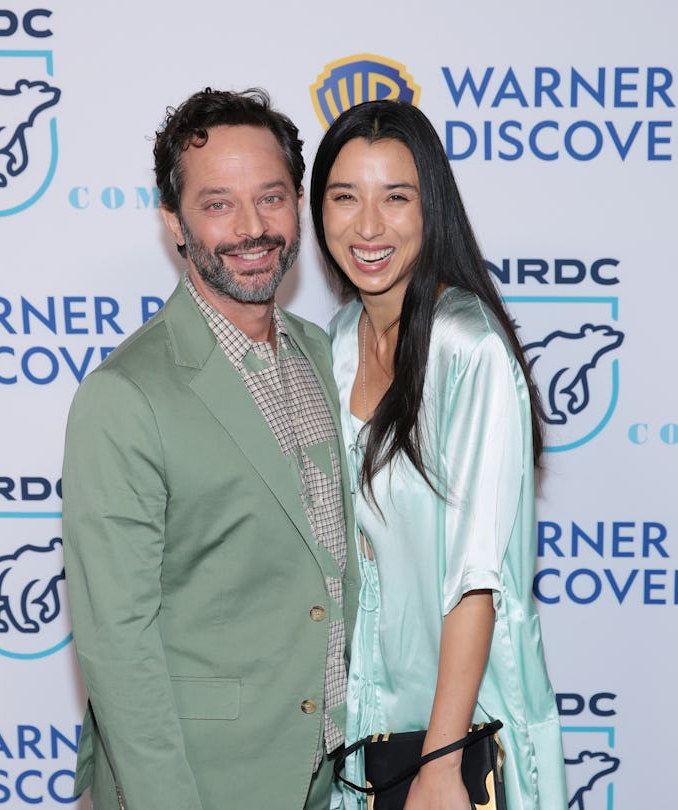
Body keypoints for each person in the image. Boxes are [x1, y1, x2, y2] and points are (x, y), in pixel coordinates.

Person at [62, 88, 359, 810]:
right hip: (203, 783)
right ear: (174, 219)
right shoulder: (125, 395)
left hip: (335, 779)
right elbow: (117, 647)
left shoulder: (326, 355)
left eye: (272, 197)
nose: (253, 228)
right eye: (218, 203)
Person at [309, 100, 568, 810]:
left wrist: (441, 761)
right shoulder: (331, 344)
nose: (367, 226)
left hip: (461, 741)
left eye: (396, 197)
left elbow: (476, 576)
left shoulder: (469, 349)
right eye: (344, 197)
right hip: (362, 737)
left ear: (433, 208)